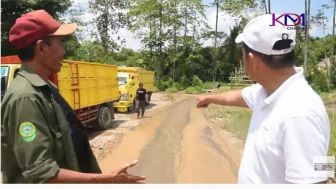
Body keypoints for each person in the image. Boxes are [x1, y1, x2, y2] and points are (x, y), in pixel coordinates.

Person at [1, 10, 145, 183]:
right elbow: (41, 172)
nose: (64, 51)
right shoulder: (25, 98)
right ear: (41, 47)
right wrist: (104, 180)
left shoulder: (46, 87)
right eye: (60, 43)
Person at [196, 14, 330, 184]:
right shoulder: (268, 90)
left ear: (252, 60)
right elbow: (239, 96)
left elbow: (317, 180)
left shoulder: (302, 113)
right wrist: (209, 98)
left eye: (243, 54)